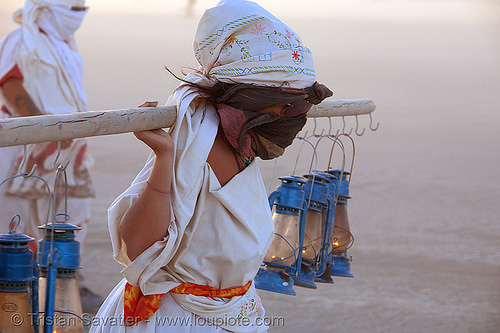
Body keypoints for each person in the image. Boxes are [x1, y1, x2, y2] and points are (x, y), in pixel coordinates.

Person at [91, 0, 332, 331]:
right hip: (176, 319)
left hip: (235, 312)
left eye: (306, 103)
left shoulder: (244, 142)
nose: (297, 117)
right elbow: (138, 247)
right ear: (250, 100)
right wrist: (165, 156)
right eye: (290, 107)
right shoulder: (194, 144)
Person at [0, 0, 104, 311]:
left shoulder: (64, 44)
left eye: (81, 7)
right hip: (26, 141)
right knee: (18, 217)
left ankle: (68, 283)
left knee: (71, 214)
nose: (78, 13)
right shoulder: (22, 39)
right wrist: (43, 128)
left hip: (68, 145)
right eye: (71, 7)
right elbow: (8, 82)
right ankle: (19, 290)